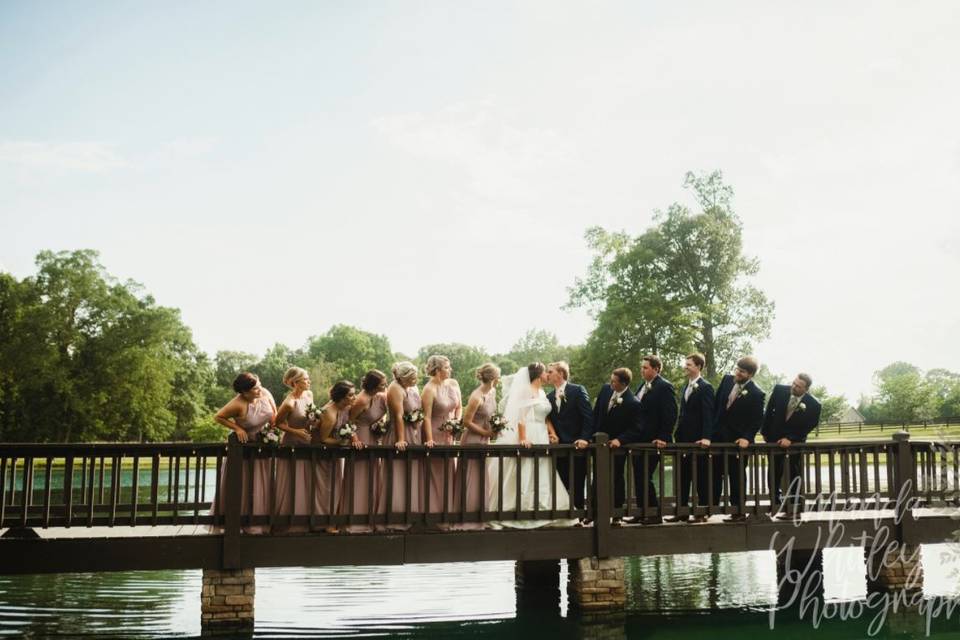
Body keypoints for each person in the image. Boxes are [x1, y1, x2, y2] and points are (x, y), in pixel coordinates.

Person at [488, 362, 576, 528]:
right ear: (538, 375)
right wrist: (522, 438)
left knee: (542, 468)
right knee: (525, 466)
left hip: (542, 433)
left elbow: (546, 417)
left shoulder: (542, 392)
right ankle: (520, 507)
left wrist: (553, 433)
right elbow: (521, 416)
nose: (547, 375)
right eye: (545, 373)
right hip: (530, 433)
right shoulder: (525, 390)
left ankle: (544, 506)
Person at [610, 355, 677, 525]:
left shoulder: (664, 386)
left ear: (656, 369)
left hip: (653, 441)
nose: (642, 370)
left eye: (646, 368)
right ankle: (641, 512)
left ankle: (654, 514)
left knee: (645, 475)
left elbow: (670, 413)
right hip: (640, 440)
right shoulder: (643, 386)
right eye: (642, 368)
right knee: (639, 475)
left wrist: (663, 436)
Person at [211, 372, 277, 534]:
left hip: (264, 448)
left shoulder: (265, 393)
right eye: (255, 388)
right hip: (244, 450)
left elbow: (274, 415)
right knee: (244, 486)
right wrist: (238, 428)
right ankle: (238, 524)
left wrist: (272, 434)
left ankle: (262, 523)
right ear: (244, 392)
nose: (259, 389)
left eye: (259, 384)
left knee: (262, 485)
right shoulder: (237, 404)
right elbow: (218, 417)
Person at [712, 356, 766, 522]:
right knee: (714, 472)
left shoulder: (757, 393)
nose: (737, 373)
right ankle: (711, 507)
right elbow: (716, 405)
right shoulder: (727, 380)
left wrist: (747, 438)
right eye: (737, 369)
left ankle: (739, 511)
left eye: (741, 371)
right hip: (718, 438)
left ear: (750, 375)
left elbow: (757, 419)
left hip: (738, 442)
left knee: (736, 475)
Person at [762, 373, 821, 520]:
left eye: (798, 386)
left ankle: (794, 509)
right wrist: (765, 433)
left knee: (795, 474)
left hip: (795, 444)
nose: (793, 387)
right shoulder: (780, 390)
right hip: (774, 440)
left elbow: (809, 425)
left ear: (806, 390)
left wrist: (791, 439)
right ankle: (775, 504)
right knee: (774, 472)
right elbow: (769, 412)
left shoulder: (814, 404)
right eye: (793, 383)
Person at [667, 353, 716, 523]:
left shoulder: (706, 387)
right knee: (683, 475)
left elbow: (708, 414)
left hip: (698, 441)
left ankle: (702, 512)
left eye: (689, 364)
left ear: (698, 367)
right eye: (686, 364)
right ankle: (681, 511)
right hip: (683, 440)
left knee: (701, 476)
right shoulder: (685, 386)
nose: (685, 367)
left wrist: (706, 437)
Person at [592, 367, 642, 524]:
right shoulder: (605, 390)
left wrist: (620, 440)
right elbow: (596, 414)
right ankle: (594, 513)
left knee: (616, 479)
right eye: (611, 380)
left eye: (614, 381)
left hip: (617, 449)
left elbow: (636, 429)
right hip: (598, 444)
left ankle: (617, 513)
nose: (610, 383)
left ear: (624, 383)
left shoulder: (633, 402)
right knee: (597, 478)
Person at [340, 370, 388, 533]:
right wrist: (354, 440)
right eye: (382, 383)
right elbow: (348, 421)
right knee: (359, 477)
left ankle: (371, 517)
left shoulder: (380, 397)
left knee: (373, 477)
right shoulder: (361, 400)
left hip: (373, 438)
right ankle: (354, 520)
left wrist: (380, 427)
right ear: (374, 385)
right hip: (360, 439)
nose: (385, 385)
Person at [455, 362, 500, 530]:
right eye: (498, 377)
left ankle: (481, 514)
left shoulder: (492, 392)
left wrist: (495, 427)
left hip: (484, 439)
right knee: (471, 478)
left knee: (482, 477)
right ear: (494, 378)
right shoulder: (476, 396)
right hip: (473, 439)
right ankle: (467, 516)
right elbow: (466, 421)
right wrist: (485, 433)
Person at [545, 361, 593, 516]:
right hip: (559, 449)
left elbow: (588, 417)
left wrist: (584, 438)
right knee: (561, 483)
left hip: (577, 447)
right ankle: (565, 516)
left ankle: (579, 516)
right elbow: (549, 421)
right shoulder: (548, 397)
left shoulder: (578, 390)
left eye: (550, 371)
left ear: (561, 373)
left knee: (578, 483)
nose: (548, 374)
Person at [381, 361, 423, 528]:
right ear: (402, 377)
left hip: (413, 433)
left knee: (411, 473)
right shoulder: (395, 389)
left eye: (416, 377)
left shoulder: (411, 388)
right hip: (400, 434)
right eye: (412, 378)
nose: (416, 380)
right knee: (398, 474)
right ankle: (395, 514)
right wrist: (400, 439)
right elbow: (398, 416)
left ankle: (411, 512)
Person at [420, 355, 462, 518]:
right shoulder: (429, 389)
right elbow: (427, 417)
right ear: (437, 370)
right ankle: (433, 512)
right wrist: (430, 439)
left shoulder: (453, 383)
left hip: (449, 432)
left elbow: (459, 407)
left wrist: (456, 423)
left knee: (449, 470)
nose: (450, 369)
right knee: (435, 473)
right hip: (434, 432)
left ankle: (449, 510)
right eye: (446, 367)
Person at [312, 380, 356, 532]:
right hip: (324, 456)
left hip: (336, 454)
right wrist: (342, 441)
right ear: (342, 397)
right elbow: (324, 438)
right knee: (326, 489)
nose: (354, 397)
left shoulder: (345, 407)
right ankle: (324, 524)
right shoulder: (329, 413)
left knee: (336, 487)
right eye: (351, 395)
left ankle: (332, 520)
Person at [274, 366, 314, 532]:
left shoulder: (309, 395)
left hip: (307, 443)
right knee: (291, 482)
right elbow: (277, 423)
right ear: (295, 383)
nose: (308, 381)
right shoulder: (289, 403)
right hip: (291, 444)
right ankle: (286, 522)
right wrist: (295, 431)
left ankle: (304, 519)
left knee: (305, 481)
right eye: (305, 379)